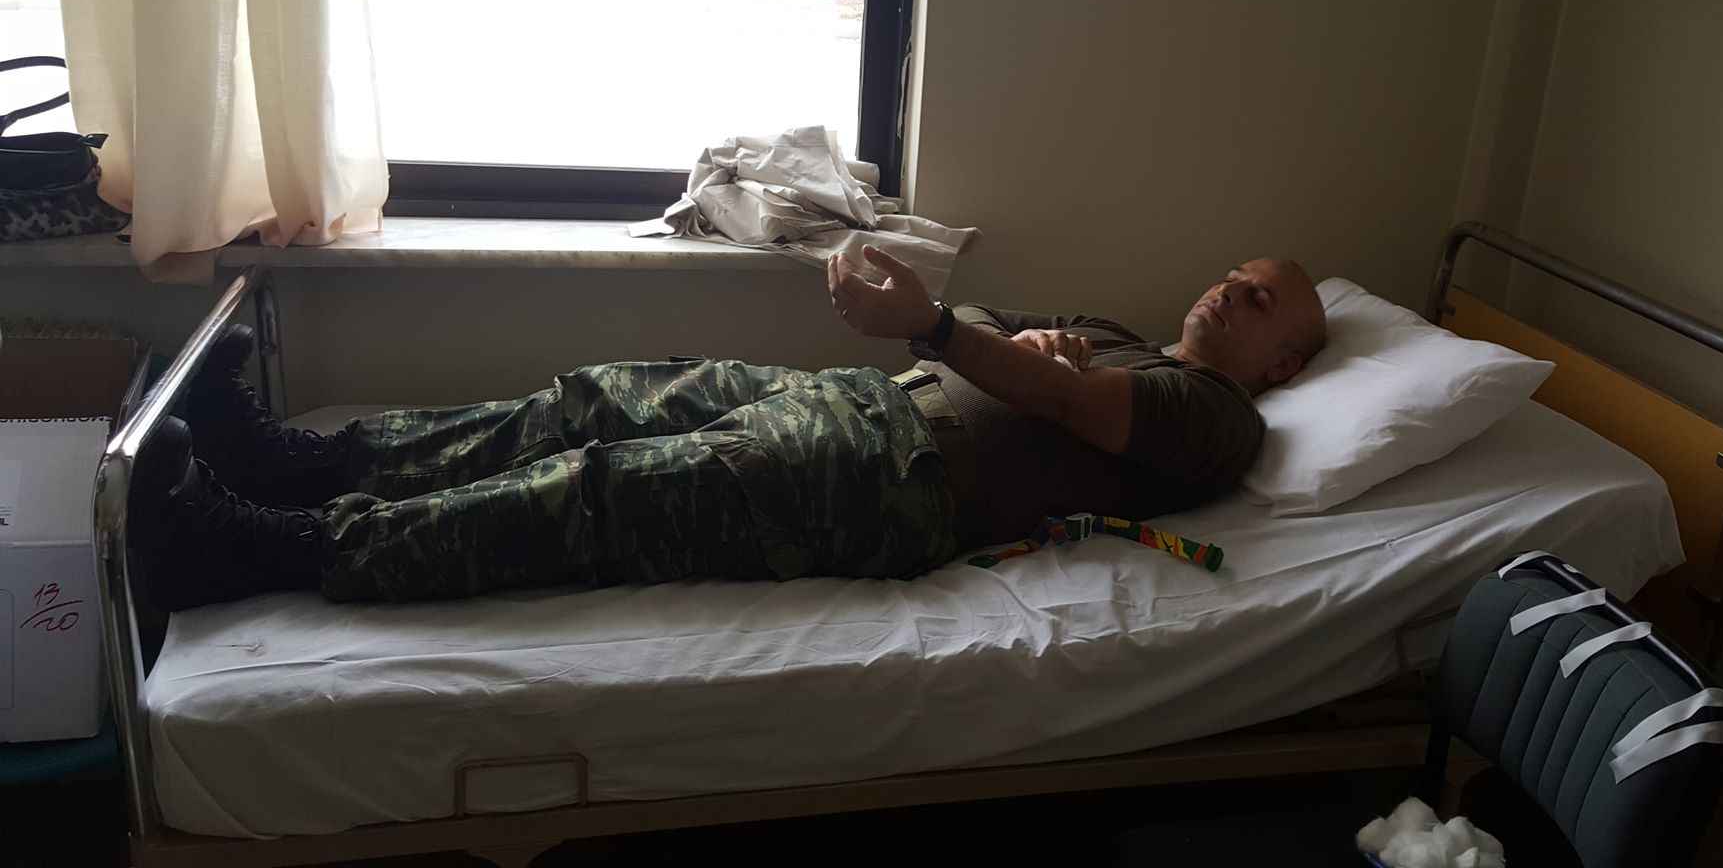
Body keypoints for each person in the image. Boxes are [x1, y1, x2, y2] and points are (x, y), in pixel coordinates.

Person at [133, 248, 1327, 610]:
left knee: (605, 486)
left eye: (1259, 300)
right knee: (593, 399)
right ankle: (296, 460)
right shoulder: (1117, 330)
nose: (1228, 290)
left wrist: (959, 333)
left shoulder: (1217, 422)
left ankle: (271, 546)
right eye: (1234, 274)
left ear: (1283, 363)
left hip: (897, 481)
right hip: (860, 402)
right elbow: (993, 333)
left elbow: (1056, 397)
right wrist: (1009, 337)